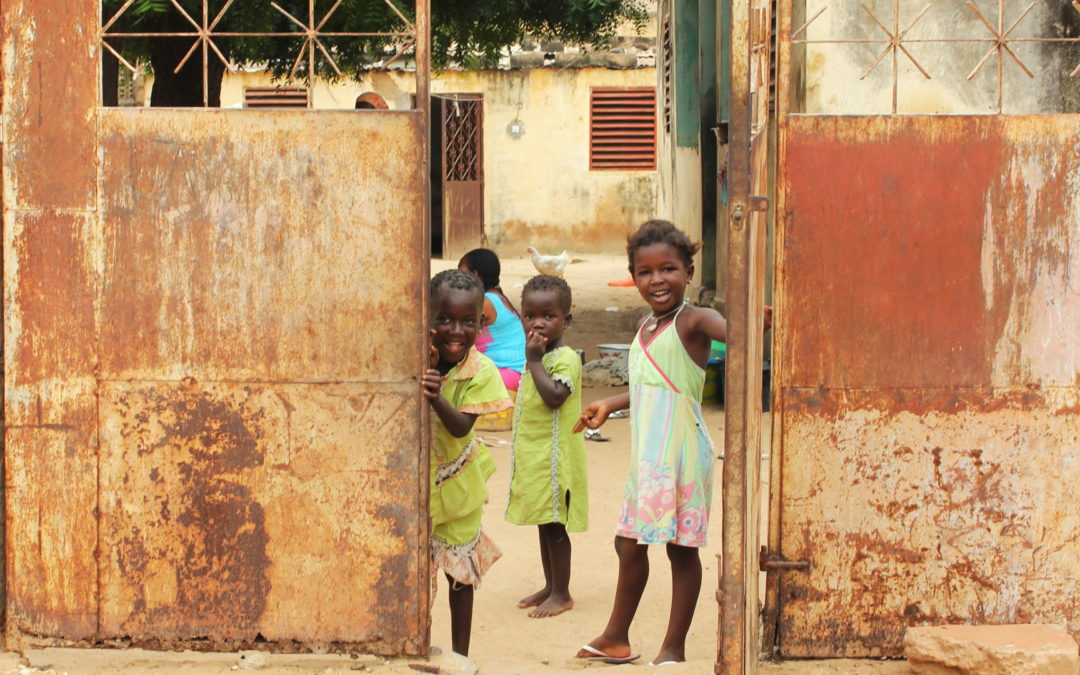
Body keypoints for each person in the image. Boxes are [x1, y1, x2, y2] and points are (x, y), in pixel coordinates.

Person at [573, 219, 728, 666]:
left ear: (689, 273)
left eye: (669, 269)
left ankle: (672, 649)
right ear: (633, 276)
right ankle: (616, 638)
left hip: (679, 454)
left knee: (680, 550)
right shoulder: (647, 325)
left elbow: (731, 329)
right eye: (645, 272)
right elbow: (652, 383)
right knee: (628, 543)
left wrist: (757, 319)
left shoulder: (694, 319)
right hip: (647, 457)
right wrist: (610, 403)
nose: (657, 280)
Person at [422, 269, 513, 656]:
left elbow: (460, 428)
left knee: (459, 576)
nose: (455, 331)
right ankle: (415, 645)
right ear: (426, 317)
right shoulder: (412, 358)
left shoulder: (482, 371)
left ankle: (461, 654)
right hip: (416, 484)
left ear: (481, 322)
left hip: (460, 487)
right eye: (444, 319)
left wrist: (436, 396)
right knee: (412, 572)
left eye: (468, 321)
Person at [505, 275, 588, 619]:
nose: (538, 323)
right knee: (544, 522)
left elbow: (555, 397)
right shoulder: (536, 354)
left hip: (556, 457)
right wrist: (533, 359)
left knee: (555, 526)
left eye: (548, 316)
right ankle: (550, 585)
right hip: (536, 455)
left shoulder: (564, 358)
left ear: (565, 320)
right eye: (530, 315)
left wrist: (534, 362)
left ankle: (563, 592)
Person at [458, 248, 527, 431]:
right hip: (519, 372)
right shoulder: (498, 296)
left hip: (508, 374)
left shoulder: (485, 302)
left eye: (461, 272)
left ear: (475, 274)